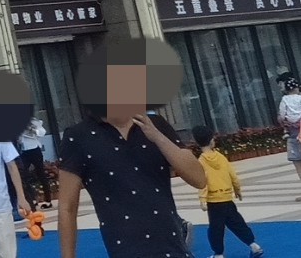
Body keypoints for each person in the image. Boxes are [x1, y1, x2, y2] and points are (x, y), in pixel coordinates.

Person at [57, 48, 206, 258]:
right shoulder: (78, 136)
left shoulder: (155, 125)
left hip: (174, 248)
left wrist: (158, 137)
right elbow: (67, 206)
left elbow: (199, 179)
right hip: (125, 249)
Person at [192, 126, 263, 258]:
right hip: (227, 198)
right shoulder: (221, 157)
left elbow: (203, 182)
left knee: (216, 228)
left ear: (197, 142)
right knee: (237, 223)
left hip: (214, 201)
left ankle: (218, 253)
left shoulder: (201, 161)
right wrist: (237, 189)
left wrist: (202, 199)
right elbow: (232, 175)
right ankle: (254, 245)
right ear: (211, 140)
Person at [16, 118, 52, 209]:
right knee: (23, 175)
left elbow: (42, 132)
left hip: (35, 149)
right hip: (24, 151)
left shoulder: (32, 121)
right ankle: (32, 199)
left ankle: (48, 200)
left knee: (41, 174)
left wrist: (32, 130)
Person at [277, 73, 301, 198]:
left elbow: (282, 115)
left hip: (292, 132)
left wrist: (284, 122)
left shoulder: (285, 100)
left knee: (297, 161)